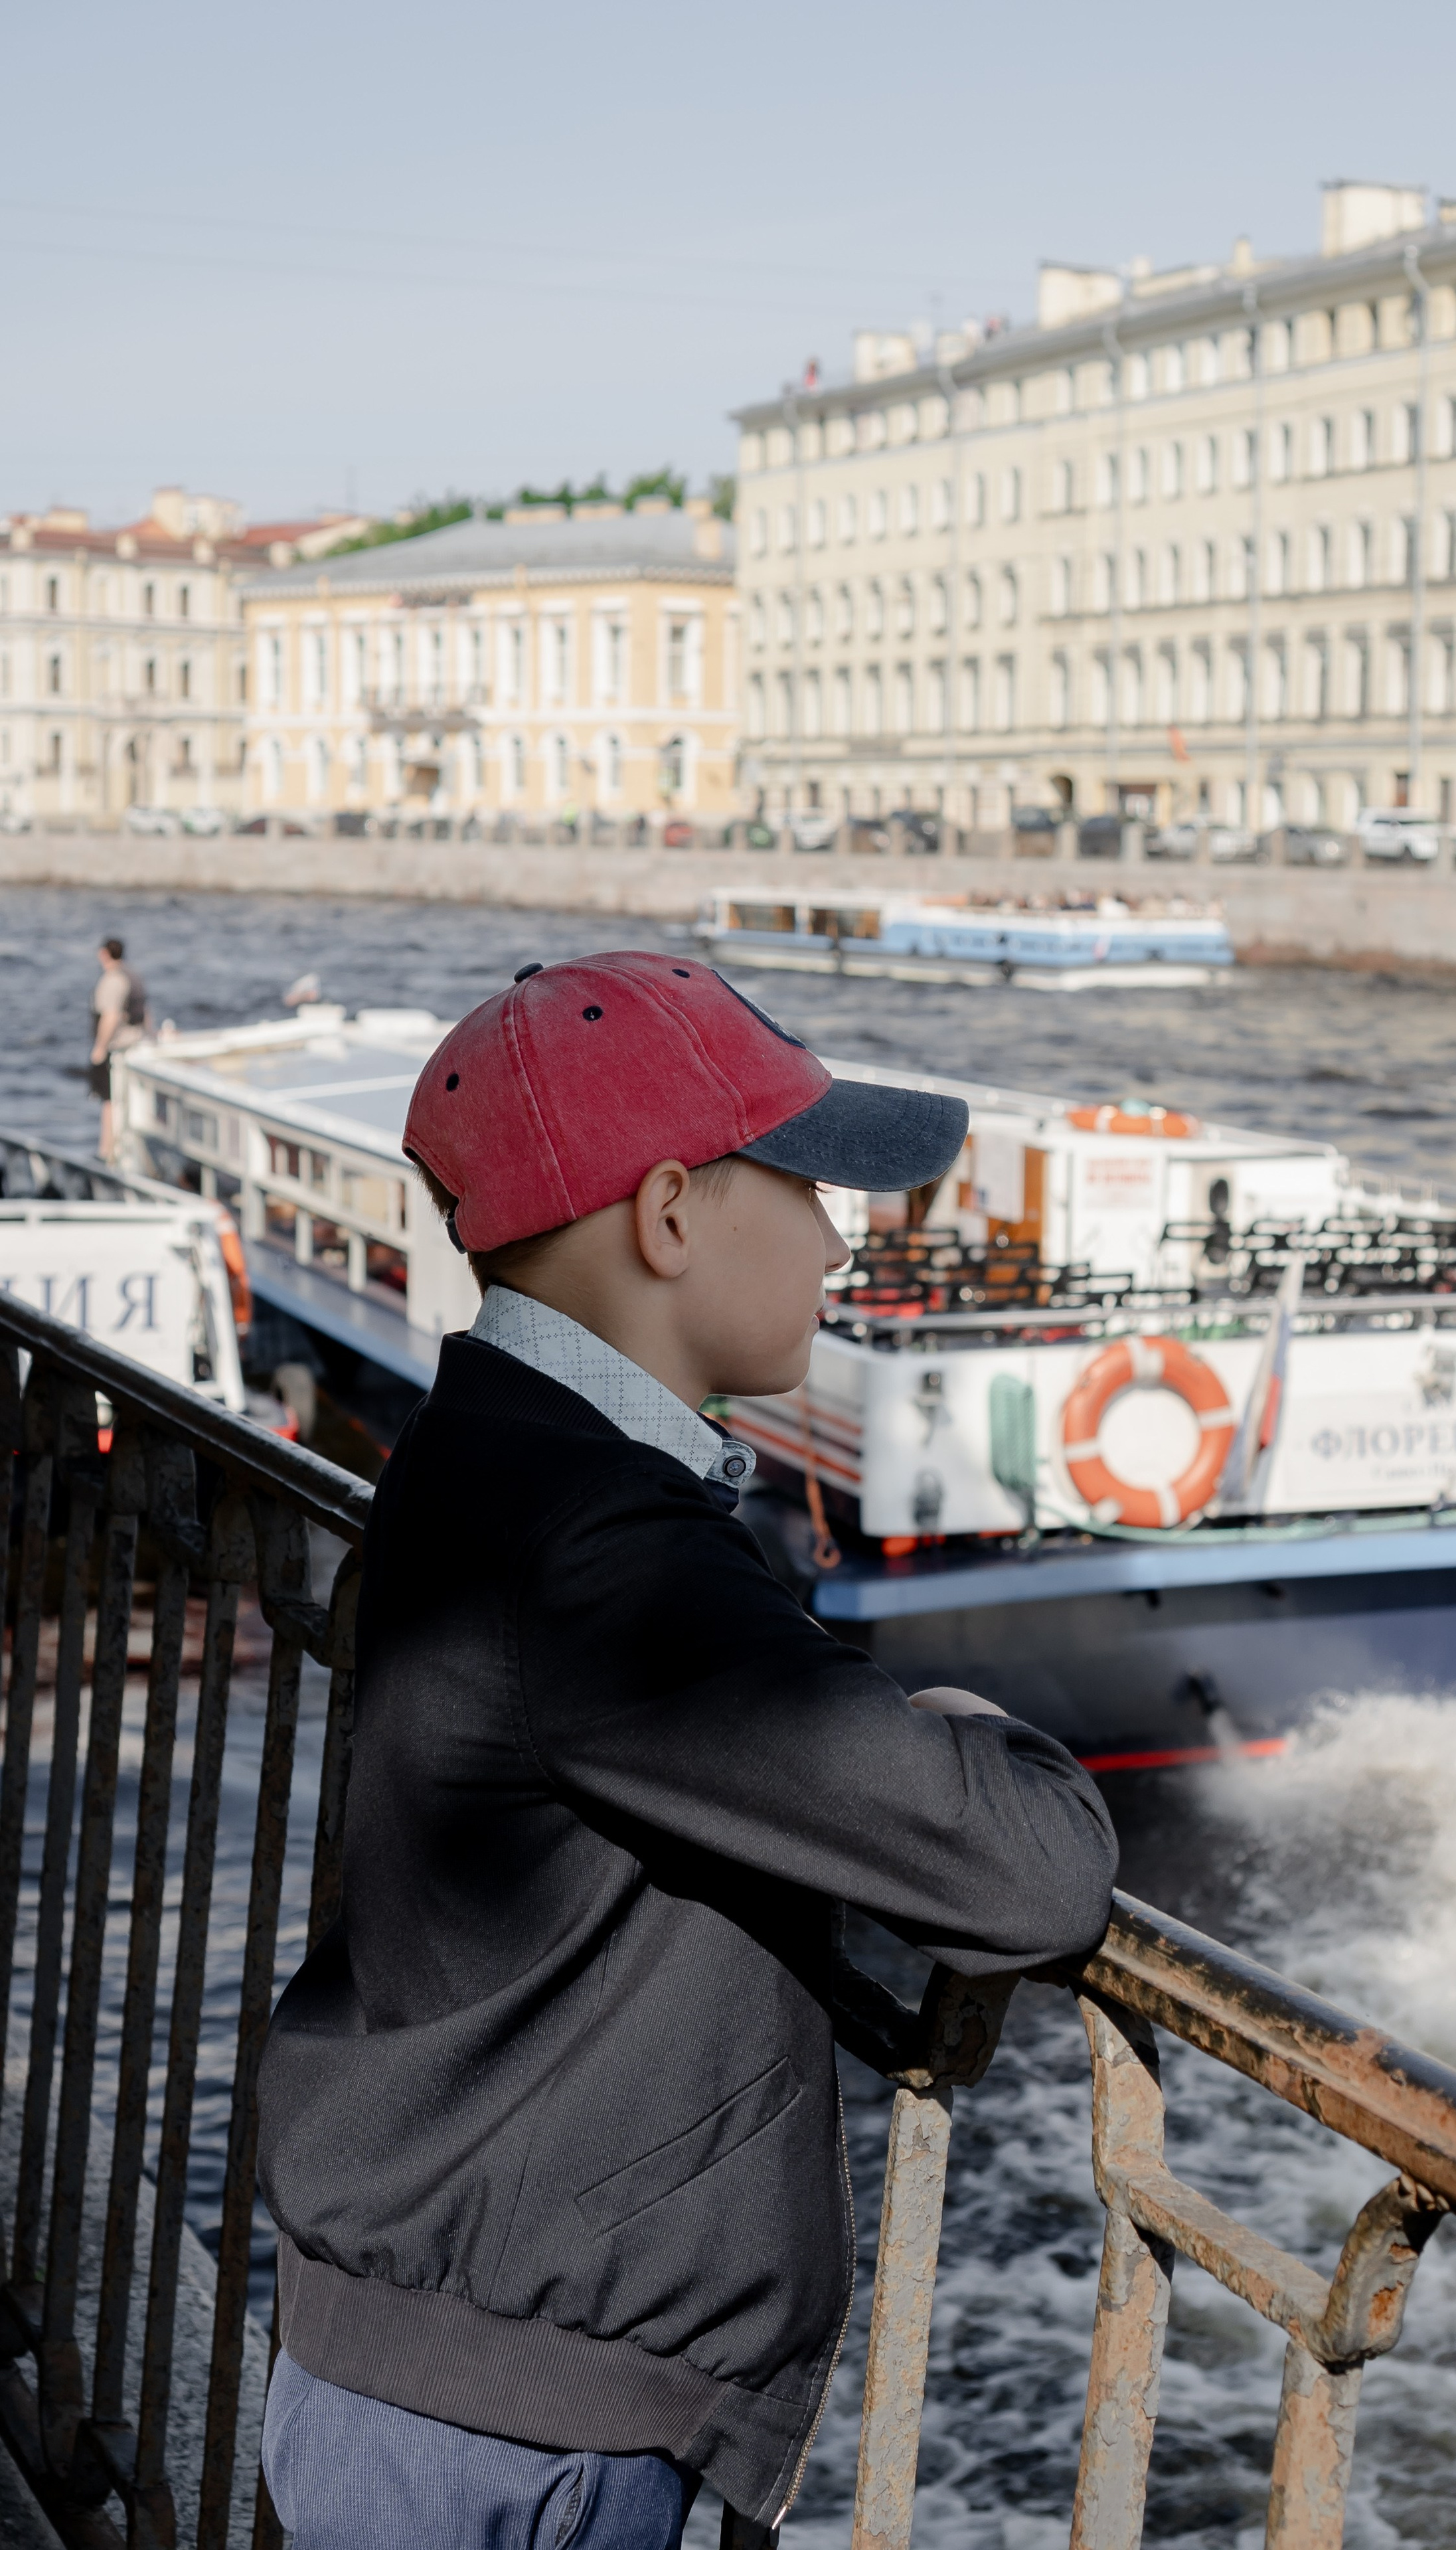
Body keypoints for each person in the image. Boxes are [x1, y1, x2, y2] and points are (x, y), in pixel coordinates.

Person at [256, 953, 1118, 2550]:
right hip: (530, 2435)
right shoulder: (603, 1556)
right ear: (667, 1215)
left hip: (426, 2360)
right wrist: (976, 1724)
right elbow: (1032, 1879)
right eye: (803, 1182)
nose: (842, 1236)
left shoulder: (477, 1456)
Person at [88, 934, 149, 1159]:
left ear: (104, 953)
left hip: (118, 1047)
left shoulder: (112, 980)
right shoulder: (134, 975)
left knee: (109, 1100)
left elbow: (110, 1016)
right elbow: (145, 1012)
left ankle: (108, 1151)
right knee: (128, 1098)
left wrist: (100, 1048)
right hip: (137, 1043)